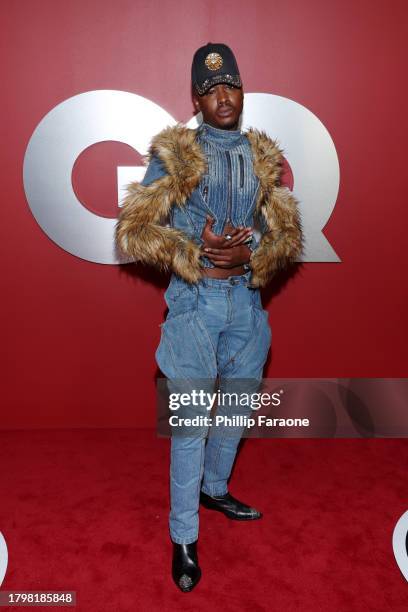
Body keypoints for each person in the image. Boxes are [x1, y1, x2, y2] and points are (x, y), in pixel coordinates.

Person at [116, 42, 302, 592]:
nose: (223, 96)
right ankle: (183, 536)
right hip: (195, 308)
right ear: (196, 97)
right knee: (191, 427)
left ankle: (214, 489)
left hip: (247, 304)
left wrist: (254, 252)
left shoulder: (262, 155)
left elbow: (284, 233)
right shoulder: (176, 154)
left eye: (231, 85)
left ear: (242, 90)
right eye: (210, 88)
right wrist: (194, 245)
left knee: (237, 413)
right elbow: (135, 228)